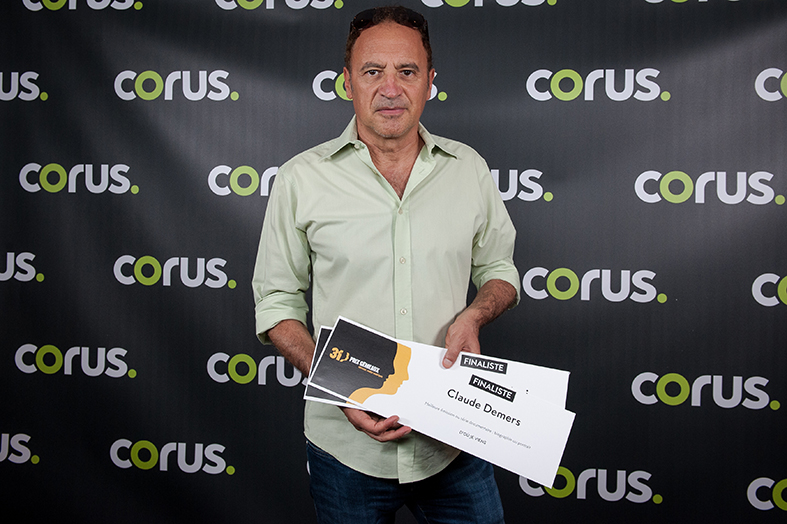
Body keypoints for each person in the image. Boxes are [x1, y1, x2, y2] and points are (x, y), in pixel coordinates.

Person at [252, 6, 519, 523]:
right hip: (344, 450)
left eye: (407, 71)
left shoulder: (468, 169)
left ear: (430, 81)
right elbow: (276, 303)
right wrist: (337, 384)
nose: (390, 89)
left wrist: (475, 315)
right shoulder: (300, 179)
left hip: (452, 438)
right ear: (347, 81)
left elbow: (500, 272)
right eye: (373, 71)